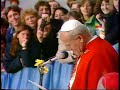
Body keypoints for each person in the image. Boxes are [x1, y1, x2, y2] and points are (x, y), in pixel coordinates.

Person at [59, 20, 118, 89]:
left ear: (80, 38)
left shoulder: (99, 53)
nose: (68, 49)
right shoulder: (86, 49)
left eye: (68, 45)